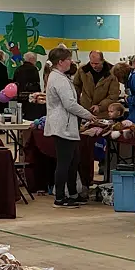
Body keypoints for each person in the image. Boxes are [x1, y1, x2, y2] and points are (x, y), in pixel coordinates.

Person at [44, 47, 96, 209]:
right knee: (65, 163)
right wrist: (88, 115)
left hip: (66, 125)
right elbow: (69, 104)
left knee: (74, 161)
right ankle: (60, 197)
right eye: (69, 59)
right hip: (62, 126)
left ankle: (73, 194)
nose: (71, 62)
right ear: (60, 62)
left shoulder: (59, 77)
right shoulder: (58, 79)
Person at [74, 51, 121, 117]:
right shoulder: (82, 70)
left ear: (102, 61)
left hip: (104, 113)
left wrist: (100, 107)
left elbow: (113, 96)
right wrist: (76, 102)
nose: (93, 66)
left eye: (96, 63)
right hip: (84, 111)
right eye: (92, 63)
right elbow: (75, 86)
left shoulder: (112, 73)